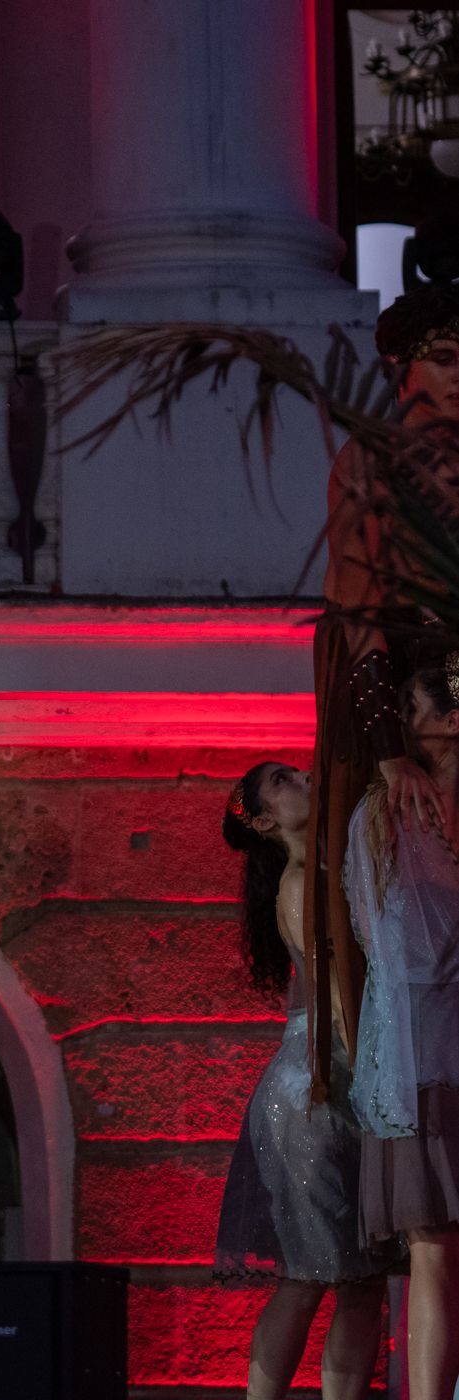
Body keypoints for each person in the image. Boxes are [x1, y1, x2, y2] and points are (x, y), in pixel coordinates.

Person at [215, 761, 387, 1400]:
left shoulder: (336, 867)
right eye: (280, 782)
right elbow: (335, 991)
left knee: (364, 1277)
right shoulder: (298, 882)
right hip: (317, 1090)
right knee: (305, 1271)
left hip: (349, 1083)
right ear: (261, 820)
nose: (300, 780)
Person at [309, 288, 459, 1110]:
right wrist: (390, 747)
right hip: (400, 698)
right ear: (403, 366)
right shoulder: (368, 462)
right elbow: (358, 615)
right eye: (444, 358)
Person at [346, 650, 459, 1400]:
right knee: (430, 1250)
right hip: (426, 1049)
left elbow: (384, 941)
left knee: (432, 1250)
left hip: (425, 1047)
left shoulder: (387, 811)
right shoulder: (386, 810)